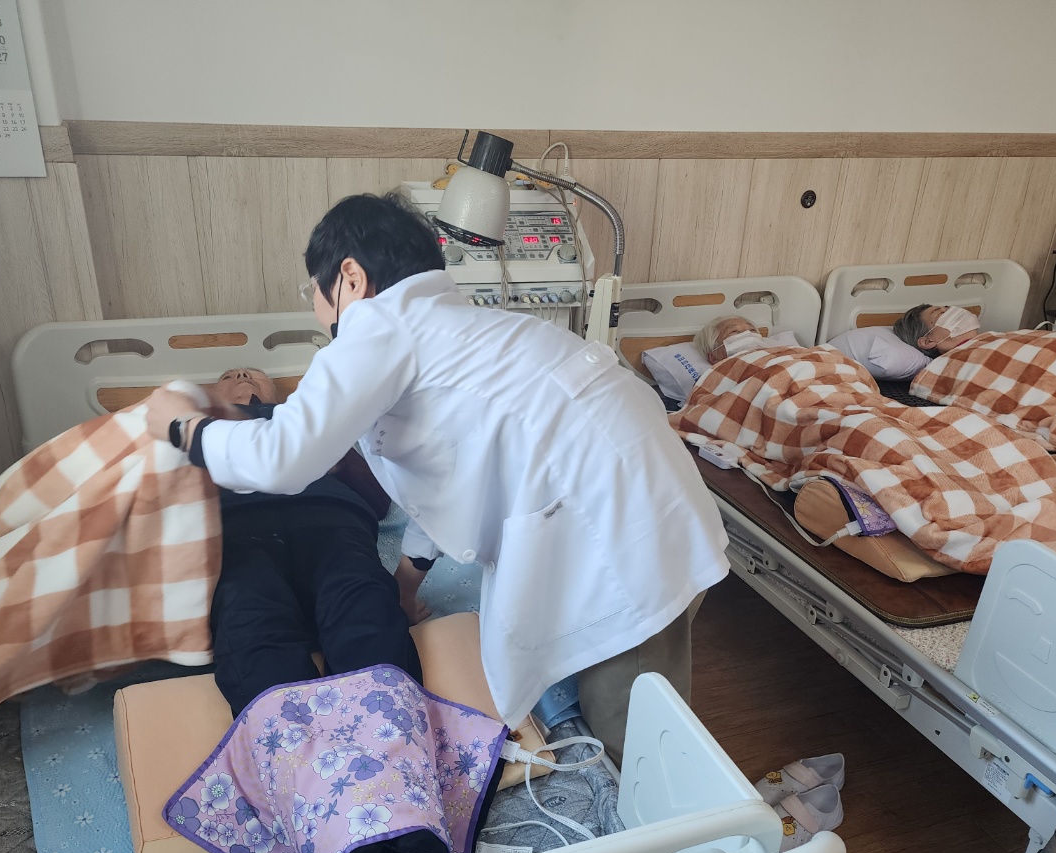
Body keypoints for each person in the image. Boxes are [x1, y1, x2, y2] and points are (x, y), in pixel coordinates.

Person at [146, 192, 729, 761]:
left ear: (349, 278)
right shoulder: (460, 331)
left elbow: (280, 458)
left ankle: (681, 825)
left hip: (623, 539)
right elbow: (448, 475)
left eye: (313, 292)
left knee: (634, 736)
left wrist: (181, 426)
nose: (317, 310)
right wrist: (407, 580)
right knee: (257, 625)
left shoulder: (376, 330)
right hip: (651, 502)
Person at [206, 365, 422, 716]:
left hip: (329, 517)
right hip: (238, 527)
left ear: (276, 391)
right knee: (248, 613)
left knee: (364, 600)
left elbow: (379, 499)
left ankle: (384, 732)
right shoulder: (200, 430)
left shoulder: (306, 419)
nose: (243, 376)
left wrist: (332, 445)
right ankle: (288, 741)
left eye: (255, 373)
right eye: (228, 375)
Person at [823, 304, 980, 381]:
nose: (954, 312)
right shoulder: (950, 371)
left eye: (948, 309)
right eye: (941, 314)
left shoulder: (989, 340)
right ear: (927, 341)